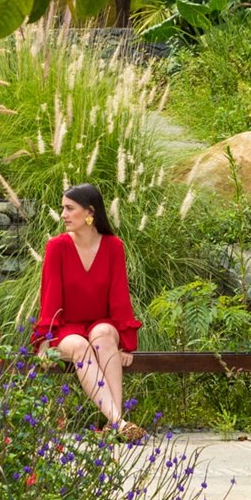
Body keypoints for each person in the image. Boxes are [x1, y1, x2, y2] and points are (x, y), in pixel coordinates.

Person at [32, 183, 144, 443]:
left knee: (103, 334)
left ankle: (115, 424)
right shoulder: (57, 247)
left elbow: (119, 297)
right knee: (80, 346)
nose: (63, 215)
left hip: (101, 324)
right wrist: (44, 343)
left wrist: (125, 344)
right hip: (66, 330)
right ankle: (119, 422)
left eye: (70, 208)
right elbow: (50, 298)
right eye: (62, 208)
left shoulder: (113, 246)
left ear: (90, 212)